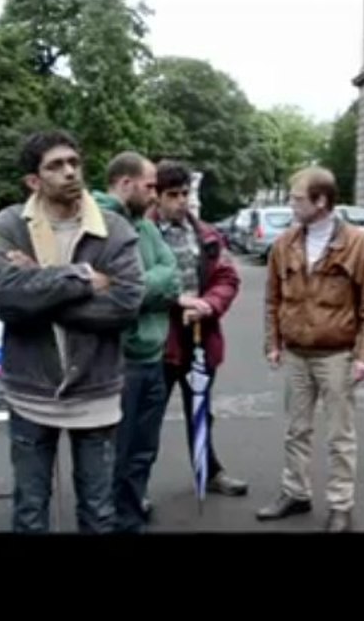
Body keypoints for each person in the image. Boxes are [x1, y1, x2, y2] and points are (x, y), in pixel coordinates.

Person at [0, 130, 145, 534]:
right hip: (30, 391)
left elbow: (126, 305)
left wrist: (39, 285)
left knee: (98, 512)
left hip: (96, 390)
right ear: (33, 181)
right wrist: (83, 277)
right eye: (55, 166)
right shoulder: (11, 226)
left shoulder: (114, 229)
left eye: (74, 162)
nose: (70, 172)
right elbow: (8, 302)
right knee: (30, 511)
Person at [258, 166, 364, 532]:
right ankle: (295, 493)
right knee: (296, 430)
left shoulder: (358, 244)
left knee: (340, 436)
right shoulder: (284, 244)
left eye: (297, 199)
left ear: (321, 201)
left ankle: (341, 505)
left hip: (337, 355)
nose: (291, 204)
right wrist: (273, 342)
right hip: (296, 353)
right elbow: (272, 299)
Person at [147, 159, 247, 499]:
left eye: (185, 194)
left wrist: (209, 304)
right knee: (147, 417)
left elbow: (227, 277)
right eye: (172, 195)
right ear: (156, 195)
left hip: (200, 338)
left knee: (200, 409)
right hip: (158, 341)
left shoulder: (206, 234)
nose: (181, 202)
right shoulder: (142, 234)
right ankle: (135, 486)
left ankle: (209, 472)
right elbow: (135, 283)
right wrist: (177, 302)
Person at [92, 152, 181, 533]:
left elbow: (173, 275)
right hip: (118, 359)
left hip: (152, 357)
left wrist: (134, 287)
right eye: (150, 186)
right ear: (125, 183)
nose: (155, 194)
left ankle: (130, 518)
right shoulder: (97, 224)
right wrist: (139, 288)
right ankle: (110, 521)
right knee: (116, 451)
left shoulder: (146, 227)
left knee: (143, 450)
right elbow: (103, 293)